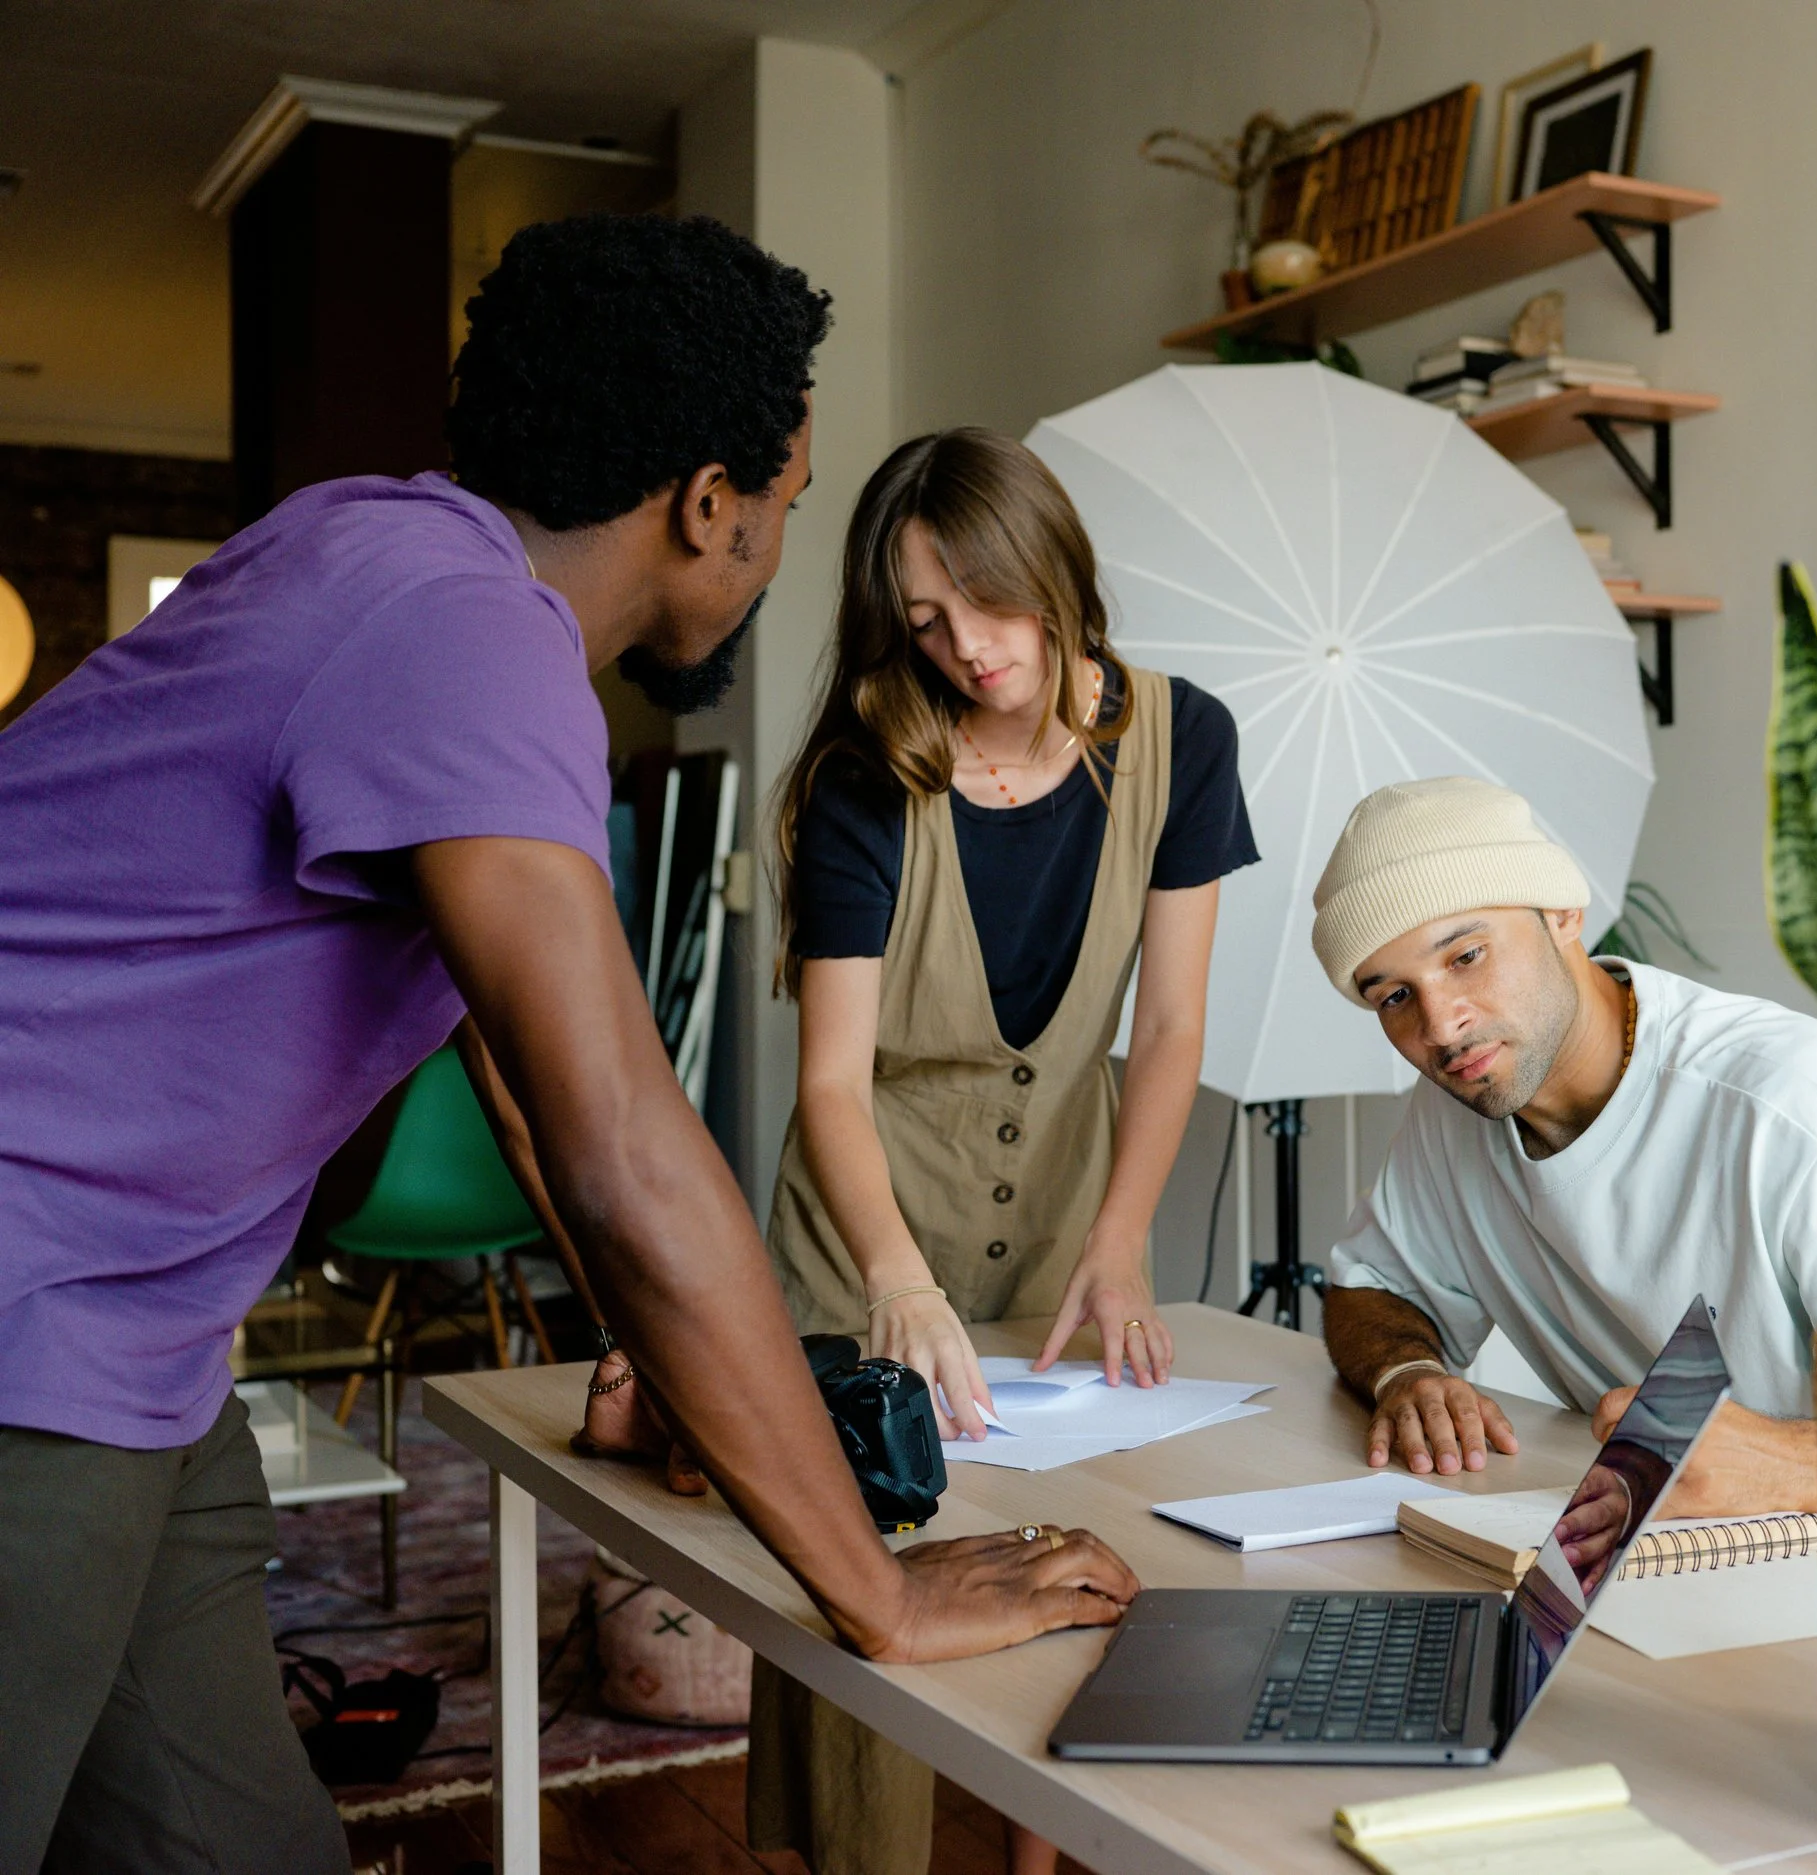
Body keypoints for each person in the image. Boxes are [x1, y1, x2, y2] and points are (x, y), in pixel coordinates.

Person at [0, 216, 1136, 1875]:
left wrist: (653, 1371)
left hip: (137, 1361)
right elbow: (618, 1144)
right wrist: (873, 1588)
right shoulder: (467, 638)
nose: (772, 547)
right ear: (705, 503)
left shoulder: (366, 556)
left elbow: (531, 1099)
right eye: (786, 509)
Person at [744, 428, 1257, 1875]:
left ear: (1055, 569)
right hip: (869, 1211)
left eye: (987, 599)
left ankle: (1047, 1853)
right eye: (923, 620)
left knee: (1073, 1541)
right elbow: (832, 1080)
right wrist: (891, 1276)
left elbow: (1166, 1027)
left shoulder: (1183, 737)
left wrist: (1121, 1232)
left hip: (1065, 1208)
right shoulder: (867, 768)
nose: (967, 647)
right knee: (866, 1572)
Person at [1307, 776, 1817, 1513]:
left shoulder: (1789, 1110)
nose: (1441, 1025)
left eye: (1466, 956)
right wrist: (1408, 1375)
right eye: (1394, 995)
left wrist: (1791, 1468)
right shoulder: (1459, 1105)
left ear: (1563, 913)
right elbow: (1371, 1286)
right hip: (1642, 1560)